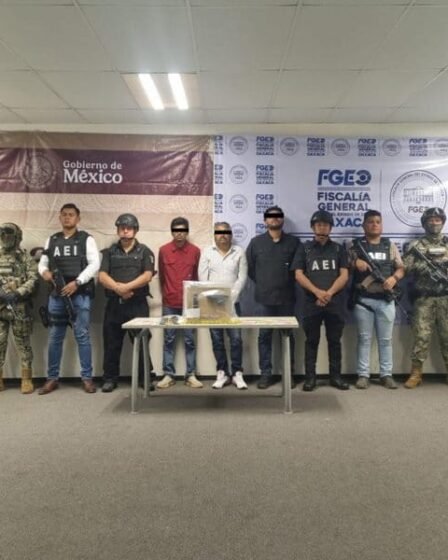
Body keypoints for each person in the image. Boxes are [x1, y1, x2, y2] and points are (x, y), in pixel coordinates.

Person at [38, 203, 100, 395]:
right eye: (64, 214)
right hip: (57, 295)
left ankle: (87, 378)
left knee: (82, 336)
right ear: (60, 217)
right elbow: (43, 263)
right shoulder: (52, 240)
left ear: (78, 218)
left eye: (71, 214)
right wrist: (44, 272)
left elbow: (95, 264)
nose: (67, 217)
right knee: (55, 337)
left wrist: (77, 282)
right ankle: (52, 378)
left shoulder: (86, 239)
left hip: (79, 294)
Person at [293, 210, 349, 391]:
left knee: (334, 341)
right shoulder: (304, 248)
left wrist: (329, 293)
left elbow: (344, 275)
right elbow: (298, 274)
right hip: (312, 303)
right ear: (313, 227)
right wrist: (317, 292)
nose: (322, 228)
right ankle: (310, 378)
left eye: (325, 225)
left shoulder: (339, 249)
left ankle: (336, 377)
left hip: (334, 303)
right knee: (311, 341)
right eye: (318, 225)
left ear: (330, 228)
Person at [98, 214, 155, 393]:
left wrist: (127, 287)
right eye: (122, 227)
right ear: (117, 230)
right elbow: (102, 276)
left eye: (129, 228)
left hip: (137, 304)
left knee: (142, 341)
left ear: (135, 230)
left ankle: (145, 378)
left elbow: (147, 275)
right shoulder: (109, 252)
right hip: (114, 304)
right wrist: (118, 289)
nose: (125, 230)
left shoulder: (145, 251)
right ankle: (109, 379)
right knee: (111, 342)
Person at [246, 205, 300, 389]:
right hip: (264, 299)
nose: (274, 218)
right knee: (264, 336)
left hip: (287, 298)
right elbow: (250, 269)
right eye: (270, 216)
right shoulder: (256, 243)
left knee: (287, 336)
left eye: (278, 216)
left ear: (282, 219)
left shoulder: (293, 243)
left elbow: (298, 269)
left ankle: (289, 374)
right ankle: (265, 374)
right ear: (265, 220)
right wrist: (265, 283)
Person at [349, 210, 404, 389]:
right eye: (370, 221)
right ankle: (363, 375)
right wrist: (355, 263)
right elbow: (344, 266)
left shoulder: (389, 245)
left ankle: (386, 374)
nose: (374, 224)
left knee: (386, 340)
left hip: (386, 300)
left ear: (381, 225)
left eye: (378, 222)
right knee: (364, 339)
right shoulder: (355, 246)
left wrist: (393, 279)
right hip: (363, 301)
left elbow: (401, 268)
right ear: (364, 225)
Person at [198, 222, 248, 389]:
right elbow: (203, 278)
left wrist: (230, 297)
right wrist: (215, 298)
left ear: (231, 235)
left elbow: (242, 277)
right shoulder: (207, 252)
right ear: (214, 235)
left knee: (236, 339)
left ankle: (237, 373)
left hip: (234, 303)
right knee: (217, 339)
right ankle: (222, 372)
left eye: (226, 232)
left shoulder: (239, 252)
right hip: (212, 304)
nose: (223, 235)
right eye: (219, 232)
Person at [403, 207, 448, 388]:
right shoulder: (416, 246)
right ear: (425, 223)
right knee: (421, 336)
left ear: (442, 222)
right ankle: (416, 373)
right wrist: (424, 266)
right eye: (430, 220)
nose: (434, 223)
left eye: (438, 219)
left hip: (445, 298)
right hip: (424, 299)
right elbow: (405, 268)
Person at [157, 216, 202, 389]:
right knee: (169, 339)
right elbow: (162, 276)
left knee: (190, 340)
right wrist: (166, 293)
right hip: (169, 303)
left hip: (190, 304)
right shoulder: (164, 250)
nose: (179, 234)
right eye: (176, 230)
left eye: (183, 230)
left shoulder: (195, 251)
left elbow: (197, 278)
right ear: (172, 232)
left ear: (187, 232)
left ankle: (191, 374)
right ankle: (168, 374)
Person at [0, 223, 38, 393]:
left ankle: (26, 379)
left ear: (17, 236)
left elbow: (33, 279)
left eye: (8, 233)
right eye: (1, 233)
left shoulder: (25, 258)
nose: (4, 237)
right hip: (0, 307)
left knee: (23, 345)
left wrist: (18, 293)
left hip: (19, 307)